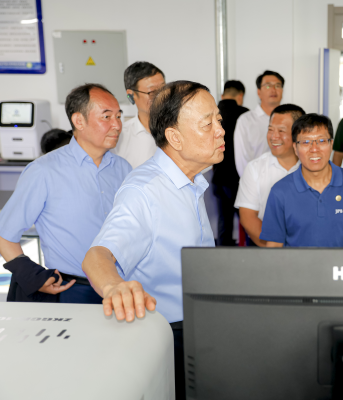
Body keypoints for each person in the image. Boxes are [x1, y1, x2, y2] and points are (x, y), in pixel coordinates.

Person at [82, 81, 222, 400]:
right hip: (166, 334)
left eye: (219, 120)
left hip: (199, 324)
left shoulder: (191, 181)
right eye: (208, 124)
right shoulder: (144, 191)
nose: (220, 131)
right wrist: (114, 287)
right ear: (175, 137)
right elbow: (97, 255)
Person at [0, 84, 132, 303]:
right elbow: (3, 233)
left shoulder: (123, 168)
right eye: (106, 117)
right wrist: (32, 276)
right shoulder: (44, 171)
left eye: (118, 116)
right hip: (75, 290)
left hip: (123, 285)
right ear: (79, 121)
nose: (117, 125)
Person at [260, 114, 343, 247]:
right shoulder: (280, 191)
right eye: (305, 142)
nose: (314, 149)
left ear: (331, 144)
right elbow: (274, 246)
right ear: (295, 148)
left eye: (321, 141)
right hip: (296, 262)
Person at [234, 104, 304, 246]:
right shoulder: (254, 168)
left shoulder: (311, 167)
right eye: (270, 129)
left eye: (281, 130)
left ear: (299, 133)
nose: (274, 136)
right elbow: (248, 217)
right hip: (267, 247)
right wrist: (276, 249)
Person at [213, 80, 249, 246]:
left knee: (224, 221)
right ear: (240, 96)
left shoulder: (212, 114)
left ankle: (222, 255)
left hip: (219, 176)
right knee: (247, 220)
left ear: (222, 95)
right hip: (239, 178)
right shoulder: (245, 115)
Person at [114, 61, 166, 168]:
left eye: (163, 89)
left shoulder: (180, 127)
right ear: (131, 95)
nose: (160, 96)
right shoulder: (119, 138)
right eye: (152, 92)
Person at [234, 70, 284, 177]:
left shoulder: (291, 120)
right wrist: (253, 183)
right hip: (256, 182)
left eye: (278, 85)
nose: (273, 89)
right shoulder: (245, 121)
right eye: (268, 86)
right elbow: (242, 161)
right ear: (259, 92)